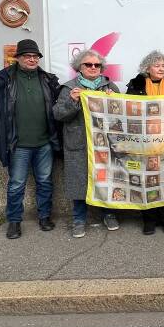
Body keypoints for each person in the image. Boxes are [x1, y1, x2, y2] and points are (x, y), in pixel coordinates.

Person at [0, 38, 62, 240]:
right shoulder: (2, 80)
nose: (32, 59)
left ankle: (44, 217)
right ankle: (14, 222)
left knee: (45, 182)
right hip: (17, 145)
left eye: (35, 56)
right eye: (27, 56)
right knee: (16, 184)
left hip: (44, 143)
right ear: (17, 58)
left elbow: (59, 108)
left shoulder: (48, 80)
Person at [53, 49, 120, 239]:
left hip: (104, 144)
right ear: (79, 68)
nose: (92, 68)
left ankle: (109, 214)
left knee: (105, 179)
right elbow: (58, 115)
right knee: (79, 182)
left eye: (96, 65)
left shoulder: (110, 87)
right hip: (78, 143)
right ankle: (79, 219)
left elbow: (120, 118)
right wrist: (73, 102)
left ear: (101, 68)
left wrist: (113, 102)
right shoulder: (68, 89)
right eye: (88, 64)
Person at [126, 50, 164, 235]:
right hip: (145, 142)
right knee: (146, 180)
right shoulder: (135, 85)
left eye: (163, 66)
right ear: (147, 68)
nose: (161, 69)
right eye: (157, 66)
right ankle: (148, 219)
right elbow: (127, 110)